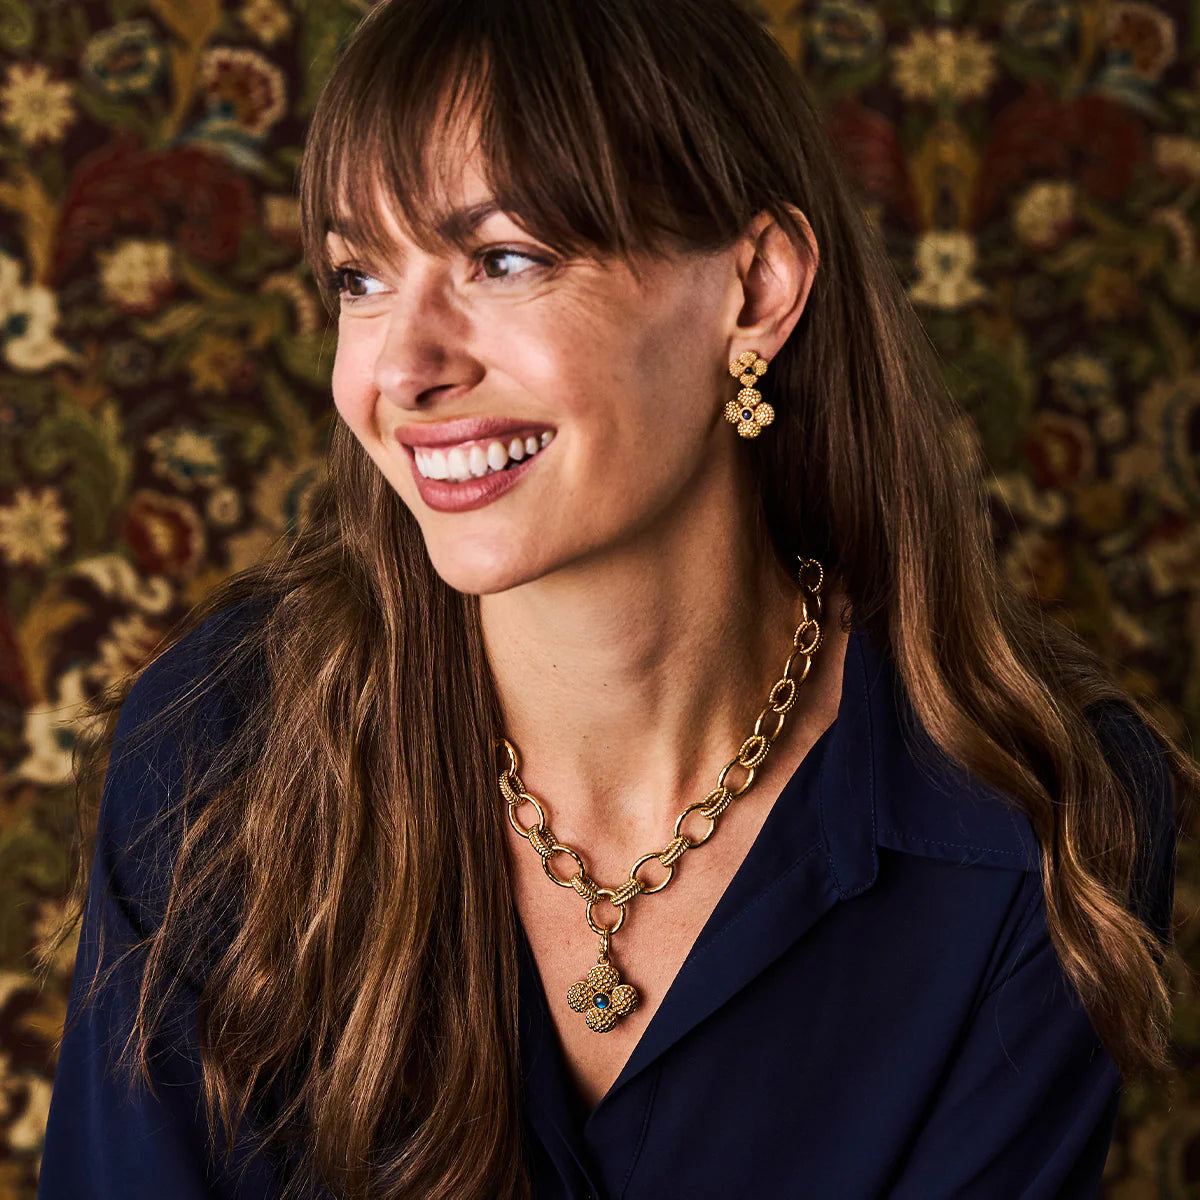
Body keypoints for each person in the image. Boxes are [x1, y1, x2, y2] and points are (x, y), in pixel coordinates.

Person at [36, 0, 1191, 1196]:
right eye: (361, 278)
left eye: (505, 260)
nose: (401, 369)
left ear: (755, 287)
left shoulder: (1037, 817)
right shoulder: (219, 748)